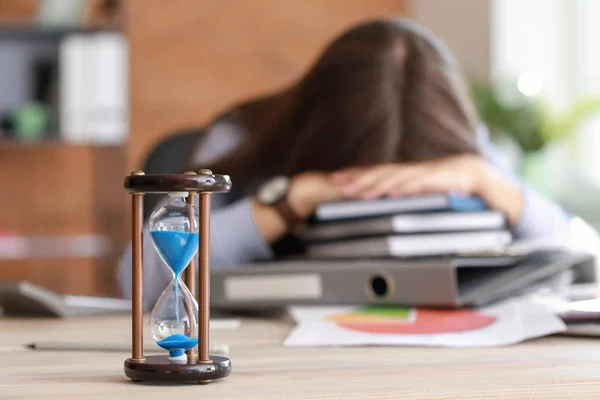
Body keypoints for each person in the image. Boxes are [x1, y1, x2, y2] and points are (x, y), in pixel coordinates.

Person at [118, 18, 588, 308]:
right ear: (321, 134)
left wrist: (487, 180)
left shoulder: (465, 155)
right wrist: (290, 202)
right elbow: (134, 279)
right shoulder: (245, 138)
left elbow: (582, 259)